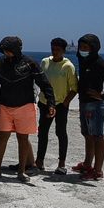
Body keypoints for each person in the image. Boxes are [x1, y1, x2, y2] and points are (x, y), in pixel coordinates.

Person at [0, 36, 55, 183]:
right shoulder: (0, 62)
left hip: (25, 106)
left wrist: (51, 103)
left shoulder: (30, 63)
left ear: (16, 50)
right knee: (2, 137)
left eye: (8, 50)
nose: (6, 53)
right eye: (4, 50)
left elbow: (45, 84)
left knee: (23, 139)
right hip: (4, 106)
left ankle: (21, 171)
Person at [73, 33, 104, 181]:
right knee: (87, 135)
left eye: (85, 47)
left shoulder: (98, 62)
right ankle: (87, 164)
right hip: (84, 102)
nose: (82, 49)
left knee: (97, 136)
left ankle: (97, 170)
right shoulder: (83, 60)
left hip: (95, 105)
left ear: (93, 48)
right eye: (80, 47)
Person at [36, 38, 78, 174]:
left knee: (60, 133)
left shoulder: (68, 66)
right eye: (53, 49)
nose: (55, 52)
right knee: (42, 132)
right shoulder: (45, 62)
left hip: (60, 105)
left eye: (58, 50)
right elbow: (39, 80)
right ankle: (39, 161)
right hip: (45, 103)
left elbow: (74, 88)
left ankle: (61, 164)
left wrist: (65, 103)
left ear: (64, 51)